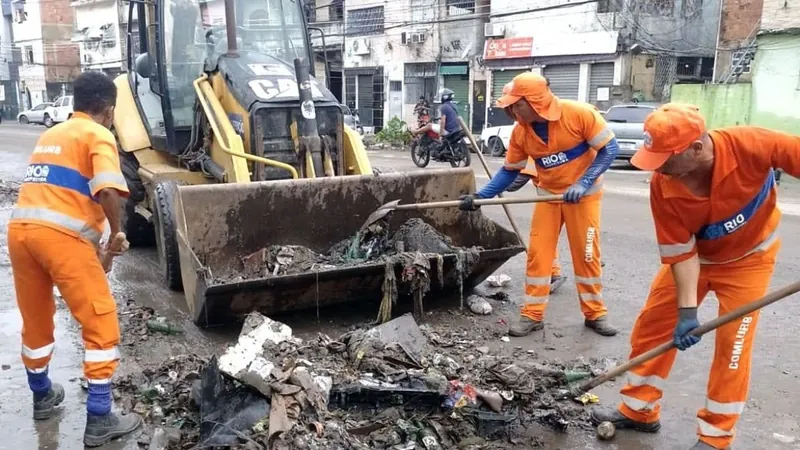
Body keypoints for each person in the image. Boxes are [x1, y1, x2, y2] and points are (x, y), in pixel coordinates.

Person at [590, 103, 798, 450]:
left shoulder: (753, 144)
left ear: (696, 149)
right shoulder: (663, 185)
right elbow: (680, 253)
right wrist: (687, 312)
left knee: (733, 344)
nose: (659, 168)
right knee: (653, 327)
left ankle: (716, 436)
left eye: (665, 158)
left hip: (750, 259)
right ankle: (640, 410)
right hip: (697, 260)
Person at [8, 71, 142, 447]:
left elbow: (59, 193)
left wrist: (100, 250)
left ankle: (42, 396)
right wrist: (116, 235)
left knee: (36, 319)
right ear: (109, 110)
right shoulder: (98, 134)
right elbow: (107, 189)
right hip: (59, 239)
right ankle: (99, 419)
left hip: (21, 234)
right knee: (100, 323)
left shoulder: (51, 135)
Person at [459, 73, 619, 337]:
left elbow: (609, 149)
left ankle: (595, 314)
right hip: (548, 196)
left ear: (535, 102)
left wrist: (583, 182)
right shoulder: (521, 132)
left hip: (584, 196)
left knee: (587, 256)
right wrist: (480, 198)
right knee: (538, 256)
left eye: (515, 104)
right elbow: (510, 171)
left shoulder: (579, 115)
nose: (509, 110)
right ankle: (533, 315)